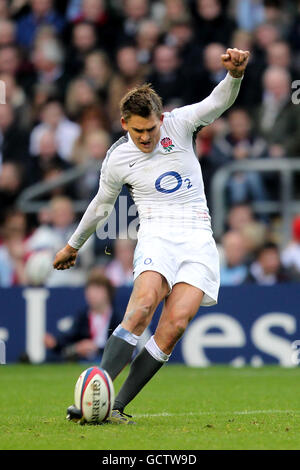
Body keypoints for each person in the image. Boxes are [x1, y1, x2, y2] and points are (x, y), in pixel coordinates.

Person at [53, 47, 250, 424]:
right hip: (157, 235)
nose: (146, 137)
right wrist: (72, 245)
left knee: (174, 326)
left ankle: (116, 406)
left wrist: (235, 76)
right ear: (124, 122)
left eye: (151, 129)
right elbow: (100, 206)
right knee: (142, 306)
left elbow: (217, 102)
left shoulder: (179, 123)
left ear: (161, 118)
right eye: (138, 130)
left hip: (197, 237)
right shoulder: (118, 159)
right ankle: (96, 394)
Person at [44, 271, 121, 361]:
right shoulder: (83, 316)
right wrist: (55, 343)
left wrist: (97, 349)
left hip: (108, 361)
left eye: (97, 289)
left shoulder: (117, 318)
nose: (92, 294)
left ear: (108, 292)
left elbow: (121, 347)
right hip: (84, 361)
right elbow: (70, 337)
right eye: (89, 290)